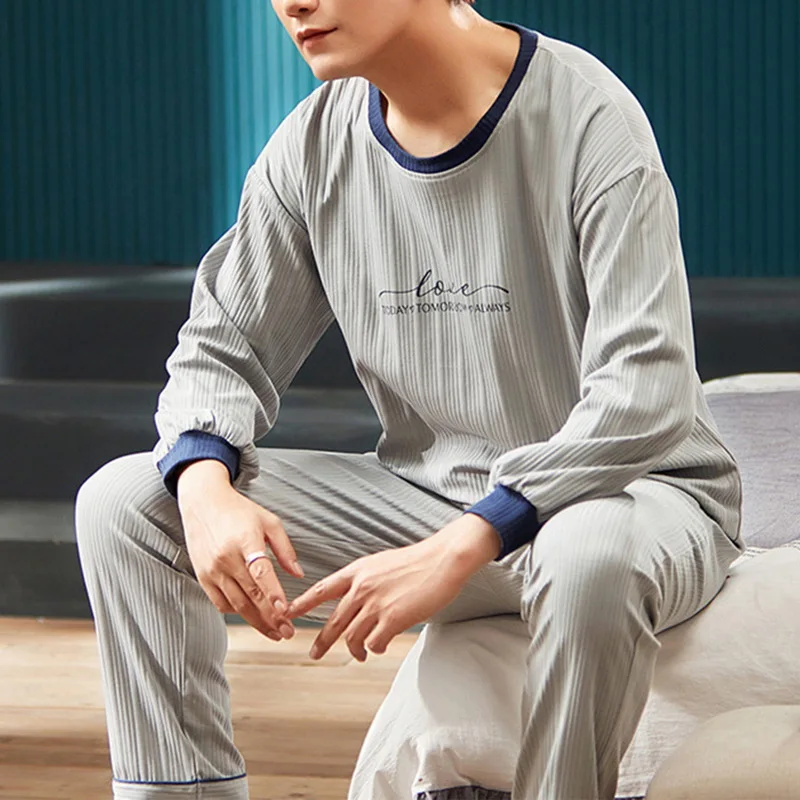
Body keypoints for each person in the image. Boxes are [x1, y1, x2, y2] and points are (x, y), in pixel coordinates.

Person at [75, 0, 745, 798]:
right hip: (430, 499)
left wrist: (463, 542)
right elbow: (222, 346)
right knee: (125, 503)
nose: (293, 3)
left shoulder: (587, 114)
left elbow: (647, 386)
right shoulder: (313, 145)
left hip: (632, 497)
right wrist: (203, 485)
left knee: (585, 550)